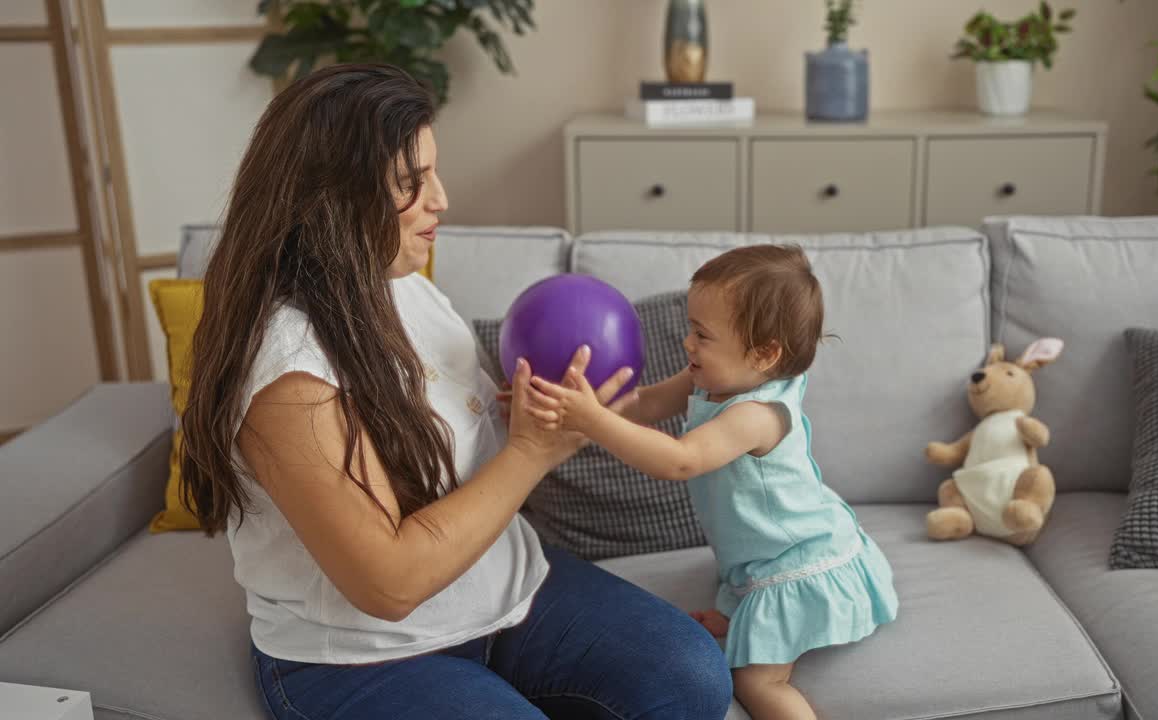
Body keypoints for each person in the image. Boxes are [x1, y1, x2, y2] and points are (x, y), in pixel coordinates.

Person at [178, 63, 731, 720]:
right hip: (364, 653)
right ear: (333, 200)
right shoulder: (288, 375)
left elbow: (455, 441)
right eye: (412, 184)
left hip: (501, 588)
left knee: (689, 675)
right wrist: (531, 453)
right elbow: (389, 583)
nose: (441, 199)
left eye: (433, 172)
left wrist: (548, 420)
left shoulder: (399, 283)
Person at [527, 244, 899, 720]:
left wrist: (595, 422)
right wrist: (578, 409)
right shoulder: (711, 379)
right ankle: (743, 612)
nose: (687, 344)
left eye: (702, 335)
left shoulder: (757, 416)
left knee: (755, 679)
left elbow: (681, 461)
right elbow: (643, 404)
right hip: (758, 553)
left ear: (764, 354)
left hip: (799, 560)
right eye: (690, 328)